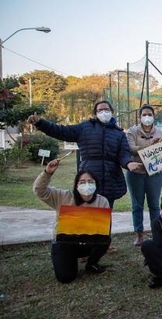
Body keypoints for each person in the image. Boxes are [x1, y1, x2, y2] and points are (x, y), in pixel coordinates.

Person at [28, 100, 142, 253]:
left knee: (105, 211)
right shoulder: (84, 127)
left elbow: (123, 154)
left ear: (112, 112)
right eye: (100, 110)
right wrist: (40, 123)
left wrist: (128, 164)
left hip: (111, 176)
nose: (104, 112)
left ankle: (103, 244)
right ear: (95, 113)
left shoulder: (118, 133)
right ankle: (81, 245)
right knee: (84, 210)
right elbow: (61, 131)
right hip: (88, 174)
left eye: (106, 109)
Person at [33, 159, 110, 283]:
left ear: (96, 184)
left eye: (90, 182)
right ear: (76, 185)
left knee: (104, 239)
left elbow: (102, 228)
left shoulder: (102, 201)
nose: (87, 185)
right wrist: (47, 173)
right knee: (66, 277)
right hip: (64, 243)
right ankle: (69, 259)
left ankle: (91, 263)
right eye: (82, 182)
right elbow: (40, 190)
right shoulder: (62, 196)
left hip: (88, 241)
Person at [126, 104, 162, 246]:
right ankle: (139, 234)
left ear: (154, 117)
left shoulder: (160, 133)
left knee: (154, 205)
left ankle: (156, 234)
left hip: (154, 174)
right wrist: (150, 145)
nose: (147, 117)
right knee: (137, 205)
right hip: (136, 173)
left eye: (150, 114)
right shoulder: (132, 132)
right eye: (144, 115)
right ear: (140, 117)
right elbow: (131, 149)